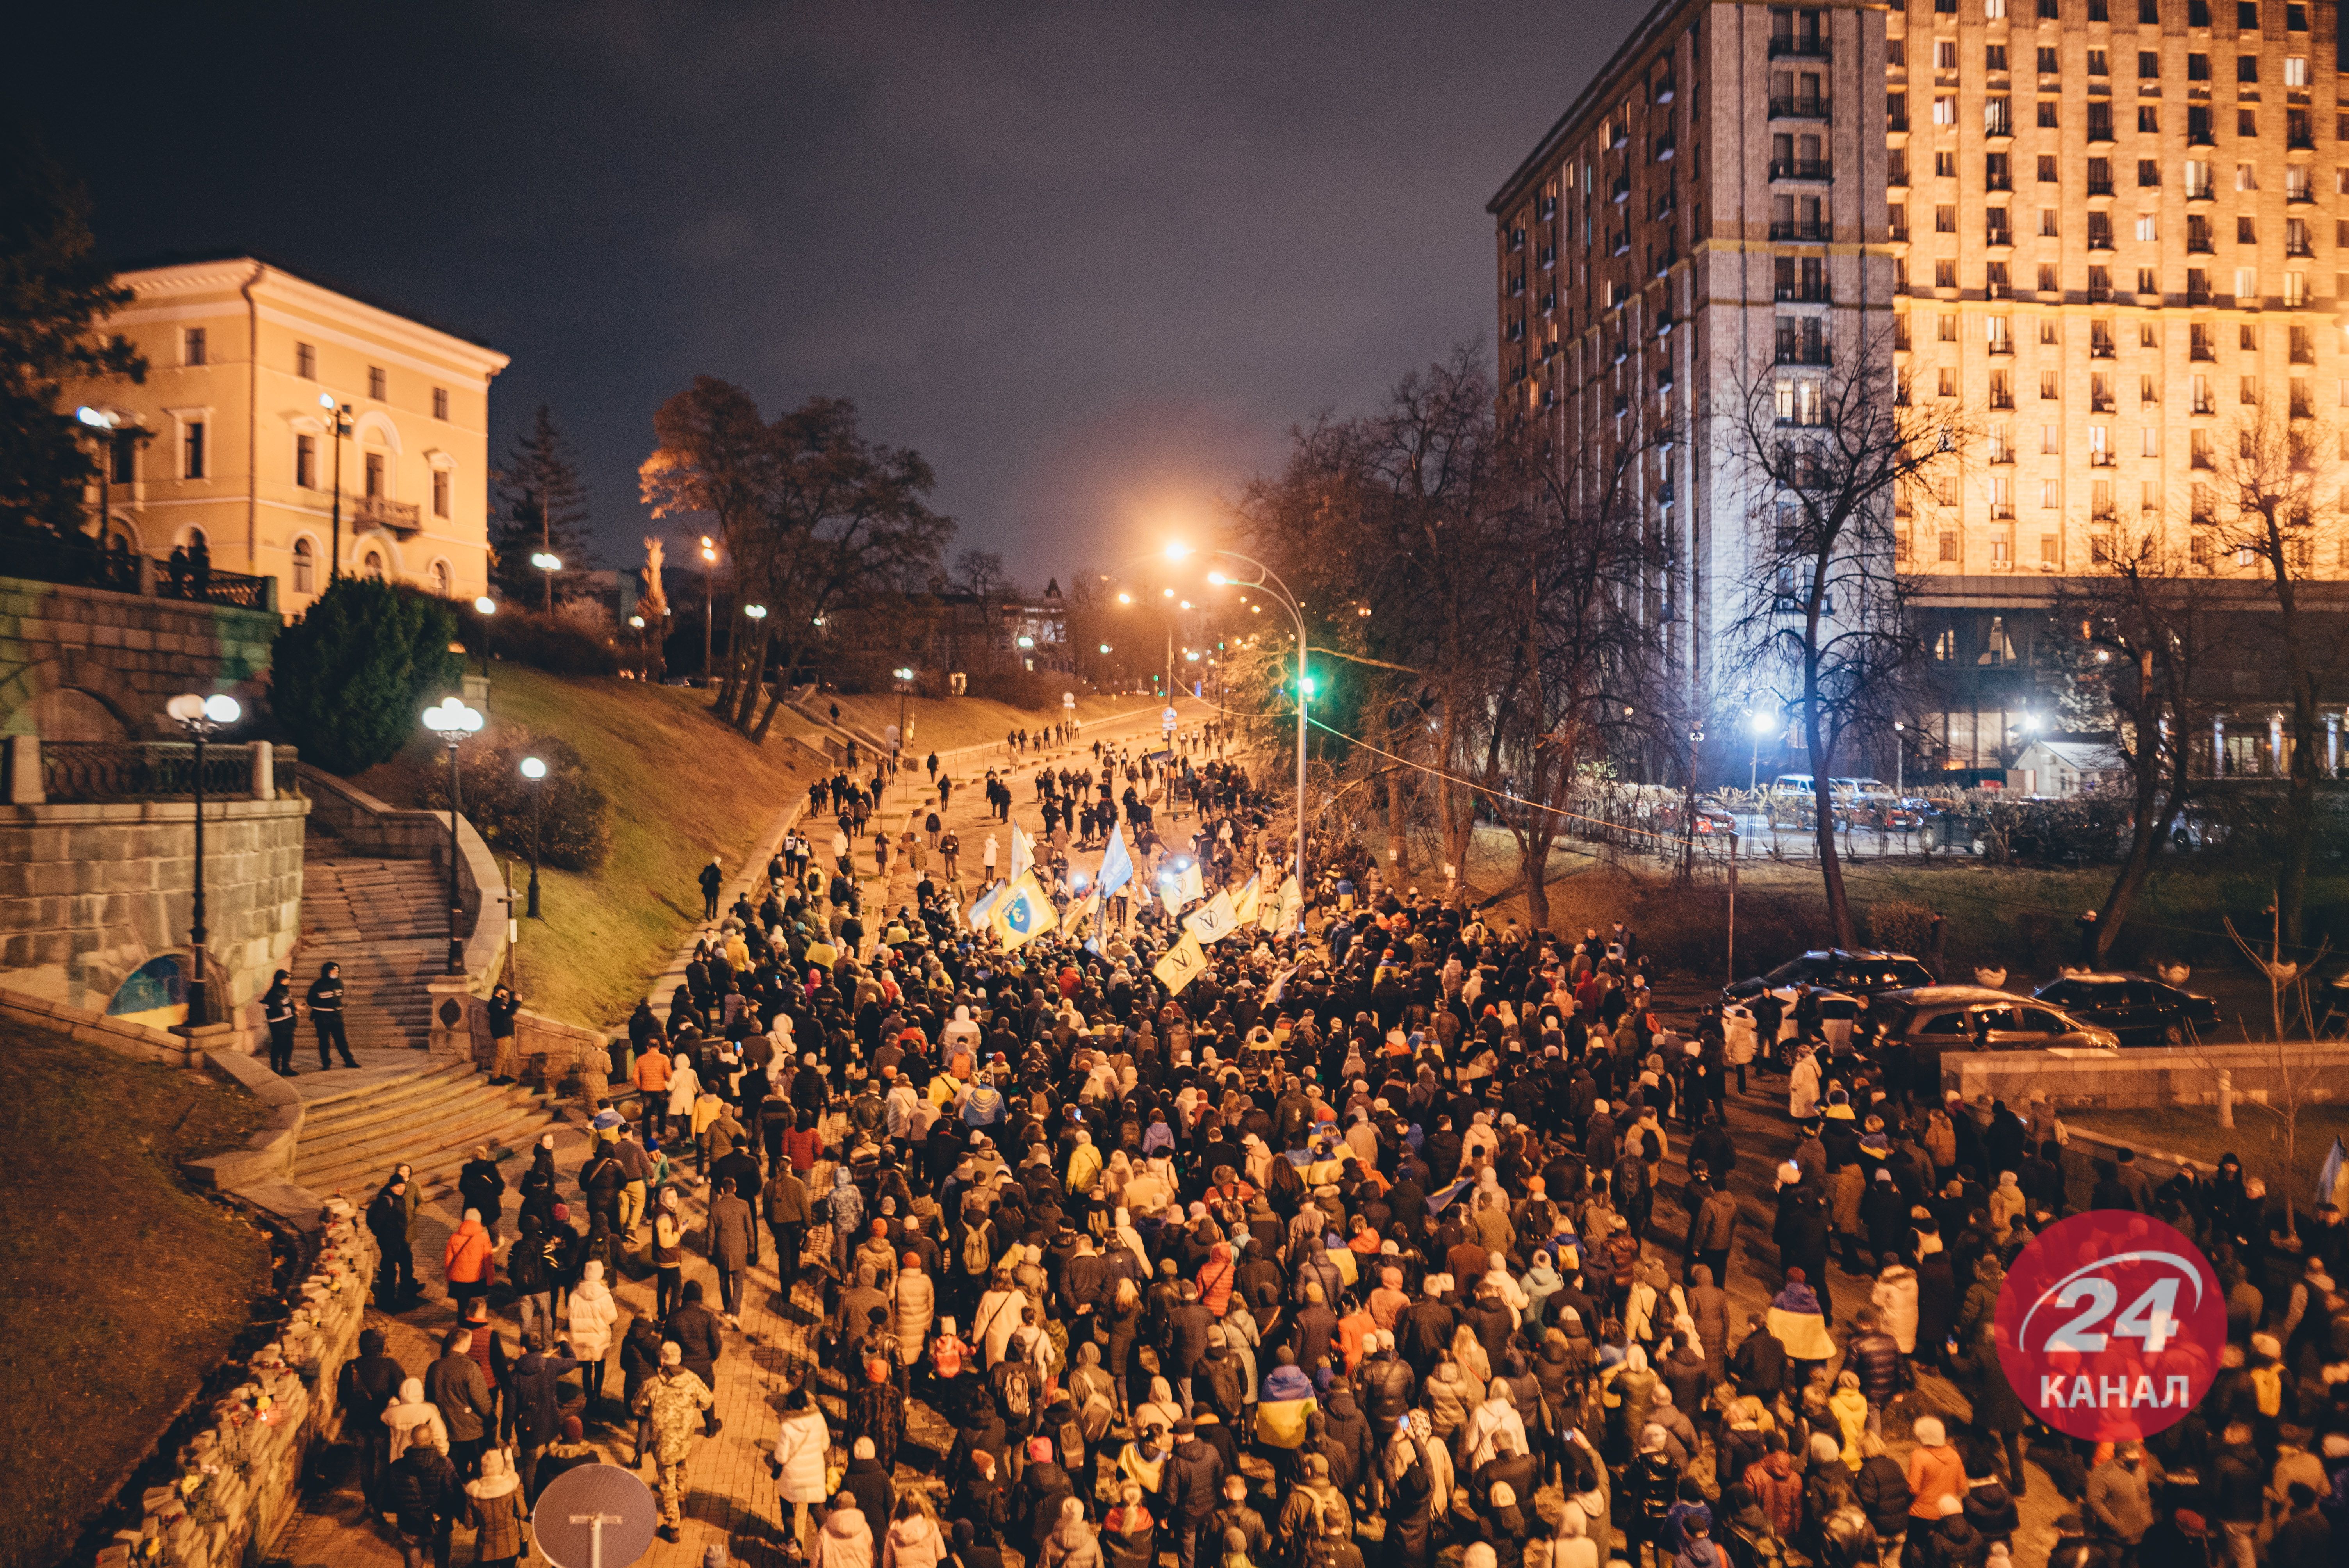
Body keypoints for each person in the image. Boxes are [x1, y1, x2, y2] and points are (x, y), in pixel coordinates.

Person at [634, 1340, 717, 1543]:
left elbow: (638, 1408)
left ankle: (673, 1527)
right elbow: (707, 1402)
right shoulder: (693, 1381)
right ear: (680, 1358)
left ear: (662, 1360)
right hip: (685, 1440)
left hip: (663, 1445)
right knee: (682, 1470)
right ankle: (682, 1502)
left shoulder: (652, 1385)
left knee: (666, 1485)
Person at [385, 1424, 462, 1568]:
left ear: (412, 1440)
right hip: (440, 1525)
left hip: (410, 1526)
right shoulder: (444, 1465)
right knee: (442, 1561)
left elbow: (388, 1499)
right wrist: (464, 1517)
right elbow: (455, 1495)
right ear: (432, 1439)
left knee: (413, 1563)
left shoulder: (397, 1467)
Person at [465, 1448, 528, 1568]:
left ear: (483, 1468)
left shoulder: (474, 1494)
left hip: (485, 1549)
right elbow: (523, 1513)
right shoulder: (511, 1488)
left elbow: (470, 1525)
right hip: (510, 1546)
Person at [308, 960, 358, 1068]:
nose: (336, 973)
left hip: (337, 1017)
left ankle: (349, 1061)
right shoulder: (318, 985)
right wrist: (323, 1004)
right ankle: (326, 1063)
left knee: (341, 1040)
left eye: (337, 971)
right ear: (327, 972)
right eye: (333, 971)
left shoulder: (339, 983)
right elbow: (310, 1000)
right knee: (324, 1042)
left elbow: (340, 996)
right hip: (322, 1018)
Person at [262, 970, 298, 1075]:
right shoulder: (273, 994)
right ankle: (275, 1070)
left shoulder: (285, 991)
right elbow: (277, 1010)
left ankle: (286, 1068)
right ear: (280, 980)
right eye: (286, 979)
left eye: (288, 979)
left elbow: (288, 1004)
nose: (288, 981)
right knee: (278, 1046)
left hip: (287, 1024)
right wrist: (294, 1009)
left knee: (289, 1046)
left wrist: (294, 1010)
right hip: (278, 1025)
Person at [701, 857, 726, 921]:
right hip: (715, 889)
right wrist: (722, 879)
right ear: (718, 863)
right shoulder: (719, 871)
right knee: (716, 902)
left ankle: (708, 914)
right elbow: (720, 880)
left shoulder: (707, 868)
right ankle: (715, 916)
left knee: (709, 902)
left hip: (707, 888)